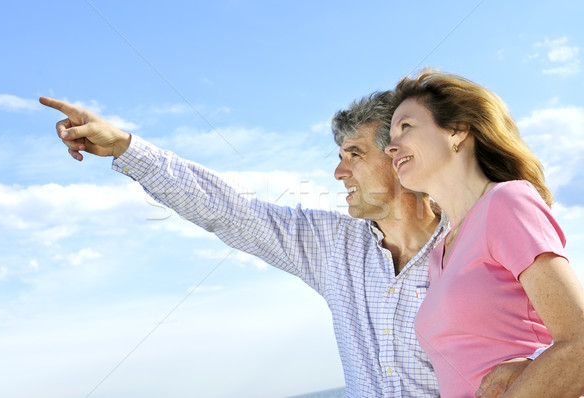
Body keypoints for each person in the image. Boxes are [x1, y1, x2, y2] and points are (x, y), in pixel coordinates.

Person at [40, 93, 528, 397]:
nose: (339, 173)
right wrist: (127, 148)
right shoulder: (331, 245)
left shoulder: (476, 238)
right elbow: (228, 209)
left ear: (401, 156)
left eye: (354, 155)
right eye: (339, 157)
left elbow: (549, 344)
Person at [385, 69, 584, 398]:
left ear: (457, 131)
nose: (392, 147)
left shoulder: (506, 202)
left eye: (406, 126)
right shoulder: (441, 253)